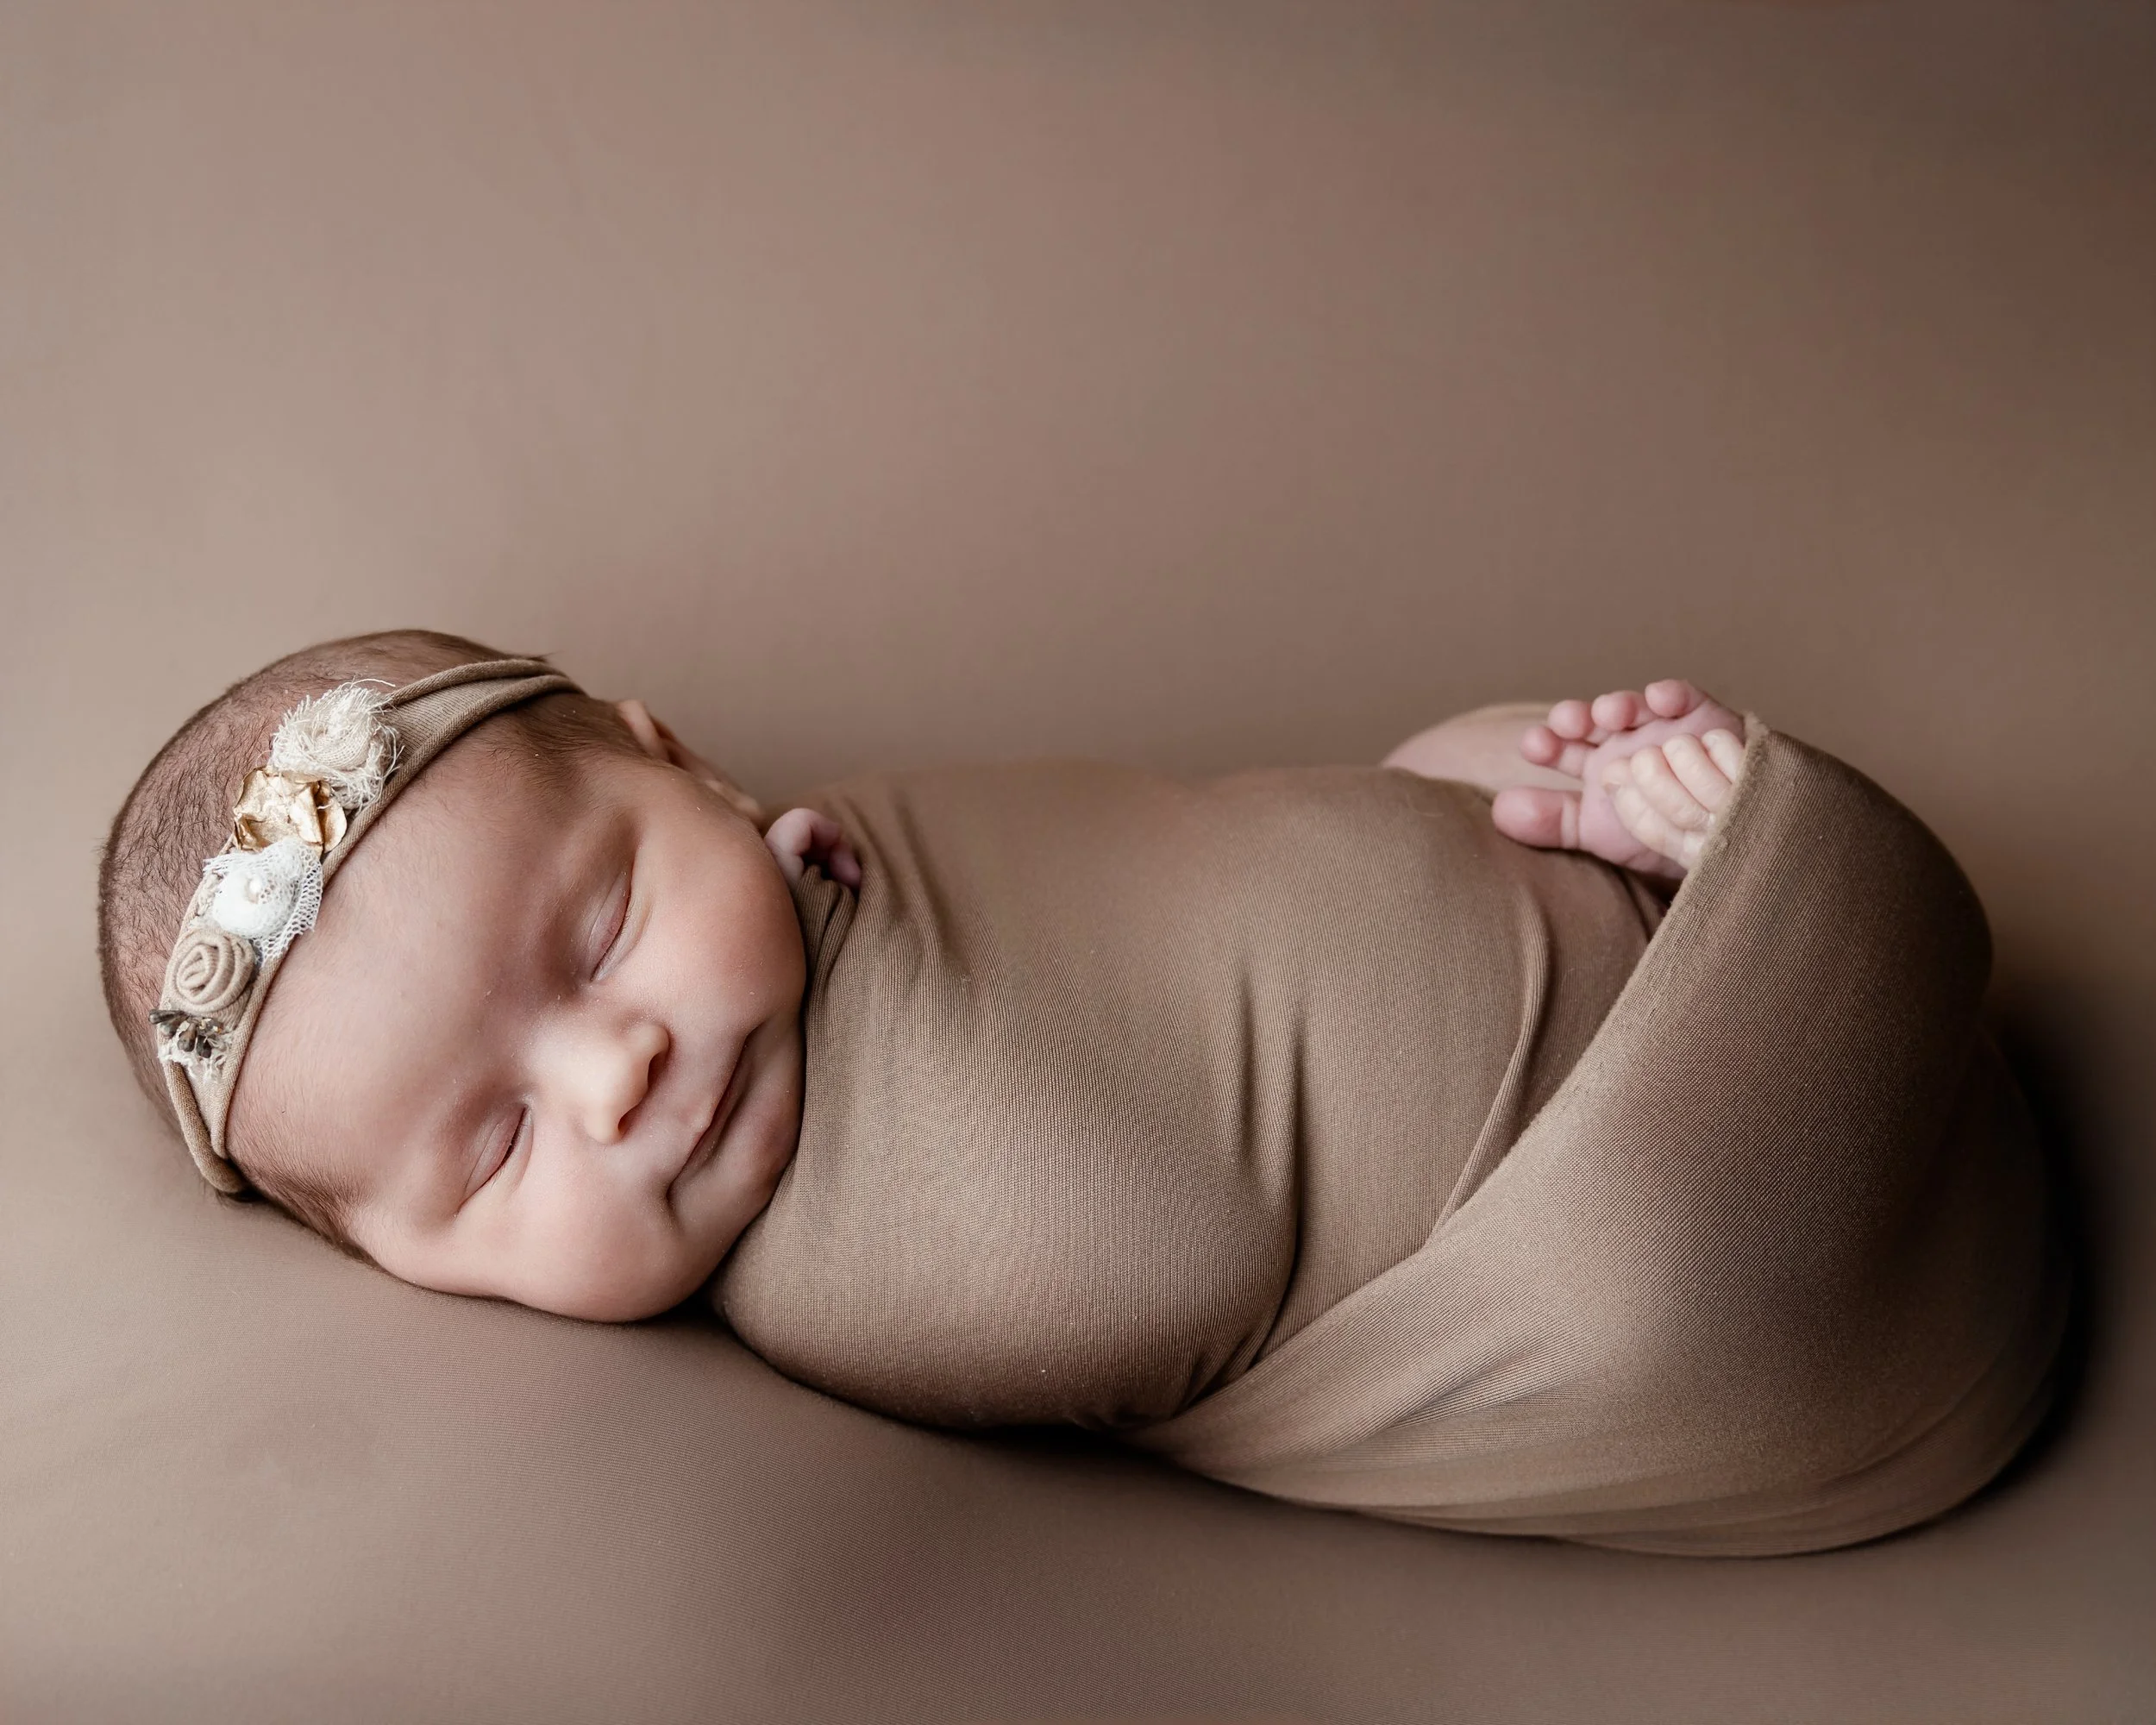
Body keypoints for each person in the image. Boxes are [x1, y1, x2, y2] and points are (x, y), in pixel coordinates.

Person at [97, 630, 2062, 1553]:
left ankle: (1650, 844)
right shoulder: (845, 1268)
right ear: (408, 1269)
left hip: (1523, 949)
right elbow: (1169, 1240)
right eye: (499, 1144)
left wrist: (1455, 817)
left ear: (670, 755)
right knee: (1675, 1275)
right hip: (1644, 1231)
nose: (616, 1071)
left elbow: (1140, 894)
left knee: (1462, 751)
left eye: (604, 926)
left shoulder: (808, 859)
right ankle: (1782, 916)